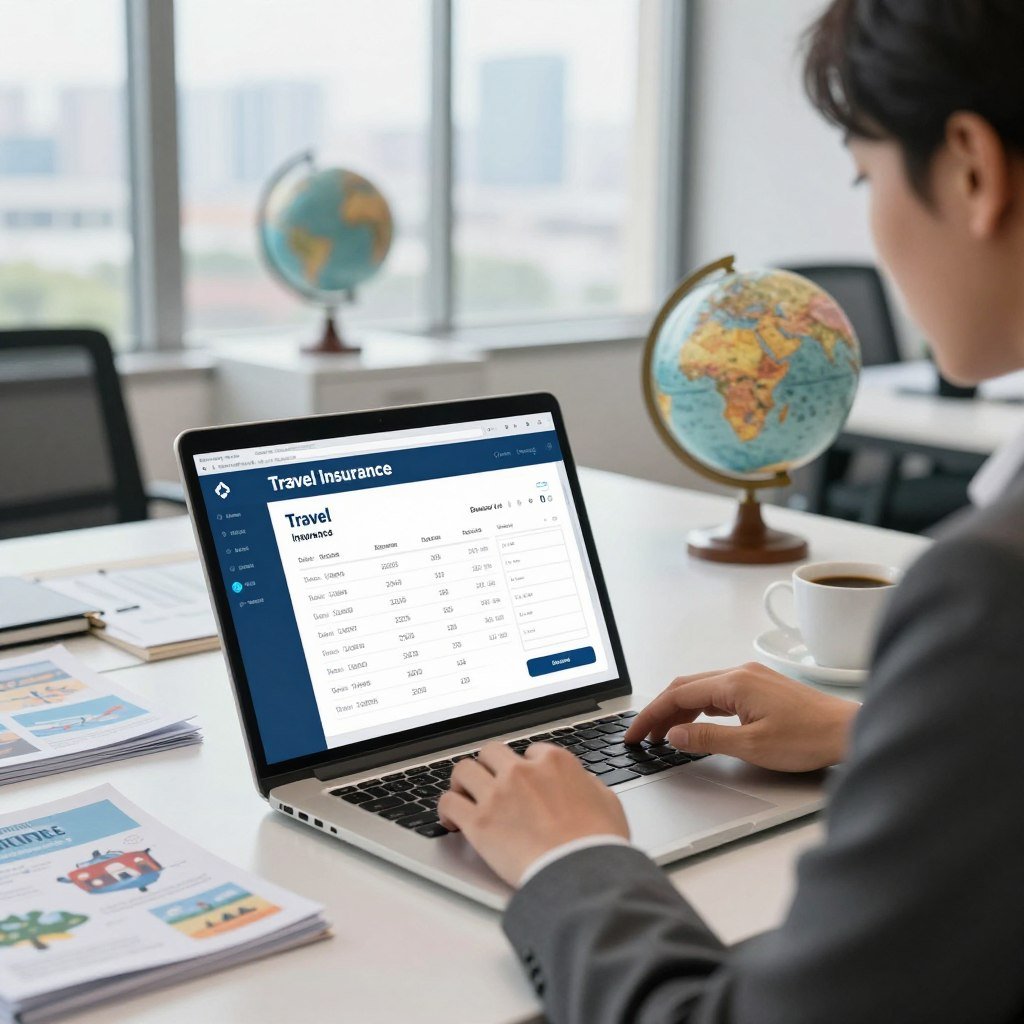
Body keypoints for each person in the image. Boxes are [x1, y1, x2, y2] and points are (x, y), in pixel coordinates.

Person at [435, 1, 1024, 1021]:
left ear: (971, 169)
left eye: (865, 176)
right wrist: (873, 731)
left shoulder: (991, 594)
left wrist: (569, 856)